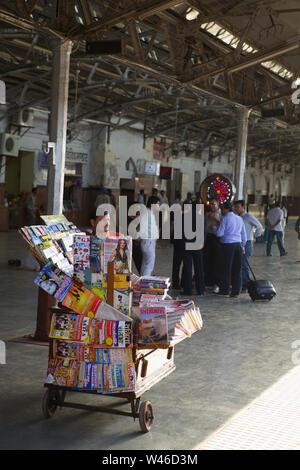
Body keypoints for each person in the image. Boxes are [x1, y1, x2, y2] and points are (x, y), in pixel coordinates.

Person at [212, 201, 247, 298]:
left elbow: (219, 234)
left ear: (226, 209)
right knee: (237, 269)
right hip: (238, 246)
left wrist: (214, 228)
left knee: (226, 269)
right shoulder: (239, 218)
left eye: (222, 208)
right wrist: (243, 246)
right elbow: (244, 235)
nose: (221, 211)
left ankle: (225, 291)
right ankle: (236, 291)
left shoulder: (225, 218)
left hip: (228, 246)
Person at [234, 200, 263, 292]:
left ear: (243, 207)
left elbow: (259, 227)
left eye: (238, 207)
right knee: (240, 264)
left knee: (244, 264)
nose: (236, 209)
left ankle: (245, 285)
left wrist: (254, 237)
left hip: (247, 243)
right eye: (235, 207)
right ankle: (241, 284)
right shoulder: (237, 217)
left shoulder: (248, 216)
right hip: (239, 243)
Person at [181, 200, 205, 296]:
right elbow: (204, 232)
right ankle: (200, 290)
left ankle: (188, 290)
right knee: (199, 268)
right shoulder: (200, 217)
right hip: (198, 245)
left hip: (187, 245)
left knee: (188, 268)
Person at [203, 198, 222, 293]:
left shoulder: (221, 214)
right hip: (208, 238)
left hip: (216, 238)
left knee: (217, 261)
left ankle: (217, 283)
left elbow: (223, 225)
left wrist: (215, 219)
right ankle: (208, 282)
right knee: (207, 260)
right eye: (210, 204)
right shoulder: (207, 213)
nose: (212, 206)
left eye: (214, 204)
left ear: (218, 205)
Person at [139, 195, 160, 276]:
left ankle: (142, 282)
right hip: (148, 242)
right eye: (158, 204)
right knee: (149, 266)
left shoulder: (149, 213)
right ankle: (145, 282)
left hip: (149, 242)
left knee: (145, 264)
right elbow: (142, 228)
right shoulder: (147, 214)